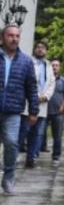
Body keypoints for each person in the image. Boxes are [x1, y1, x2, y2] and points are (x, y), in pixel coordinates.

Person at [1, 24, 39, 194]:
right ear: (3, 38)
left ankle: (8, 178)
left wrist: (33, 111)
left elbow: (32, 87)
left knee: (11, 142)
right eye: (10, 35)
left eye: (17, 36)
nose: (14, 39)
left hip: (13, 110)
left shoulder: (26, 61)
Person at [18, 39, 55, 168]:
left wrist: (45, 96)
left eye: (43, 48)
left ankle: (31, 159)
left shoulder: (49, 65)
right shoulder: (28, 63)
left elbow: (51, 83)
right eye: (38, 47)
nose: (40, 49)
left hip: (43, 105)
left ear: (46, 51)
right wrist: (34, 96)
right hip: (29, 104)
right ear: (34, 50)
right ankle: (11, 158)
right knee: (23, 132)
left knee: (38, 134)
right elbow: (26, 81)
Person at [47, 59, 64, 167]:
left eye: (57, 65)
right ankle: (34, 154)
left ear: (60, 67)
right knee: (39, 134)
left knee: (57, 136)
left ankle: (56, 156)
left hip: (58, 112)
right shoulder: (45, 79)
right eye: (53, 65)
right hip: (44, 111)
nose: (54, 67)